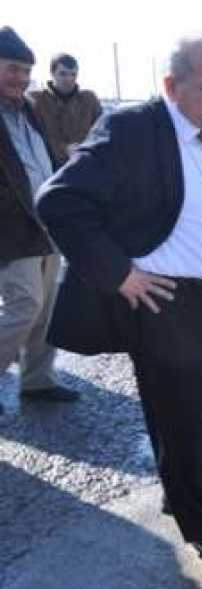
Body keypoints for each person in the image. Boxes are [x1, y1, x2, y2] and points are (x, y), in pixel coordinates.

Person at [37, 38, 202, 573]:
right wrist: (119, 274)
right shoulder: (136, 128)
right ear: (171, 85)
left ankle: (191, 490)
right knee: (183, 421)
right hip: (171, 305)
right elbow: (58, 200)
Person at [0, 26, 80, 404]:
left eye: (25, 70)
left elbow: (43, 160)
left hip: (46, 222)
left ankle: (37, 379)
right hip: (11, 229)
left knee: (48, 305)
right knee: (25, 303)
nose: (20, 77)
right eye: (11, 68)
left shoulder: (29, 110)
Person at [27, 52, 102, 168]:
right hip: (50, 168)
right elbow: (31, 137)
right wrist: (63, 149)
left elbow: (102, 132)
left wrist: (85, 149)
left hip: (85, 165)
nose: (69, 79)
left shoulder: (89, 100)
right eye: (63, 74)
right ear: (52, 73)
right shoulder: (35, 100)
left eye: (73, 74)